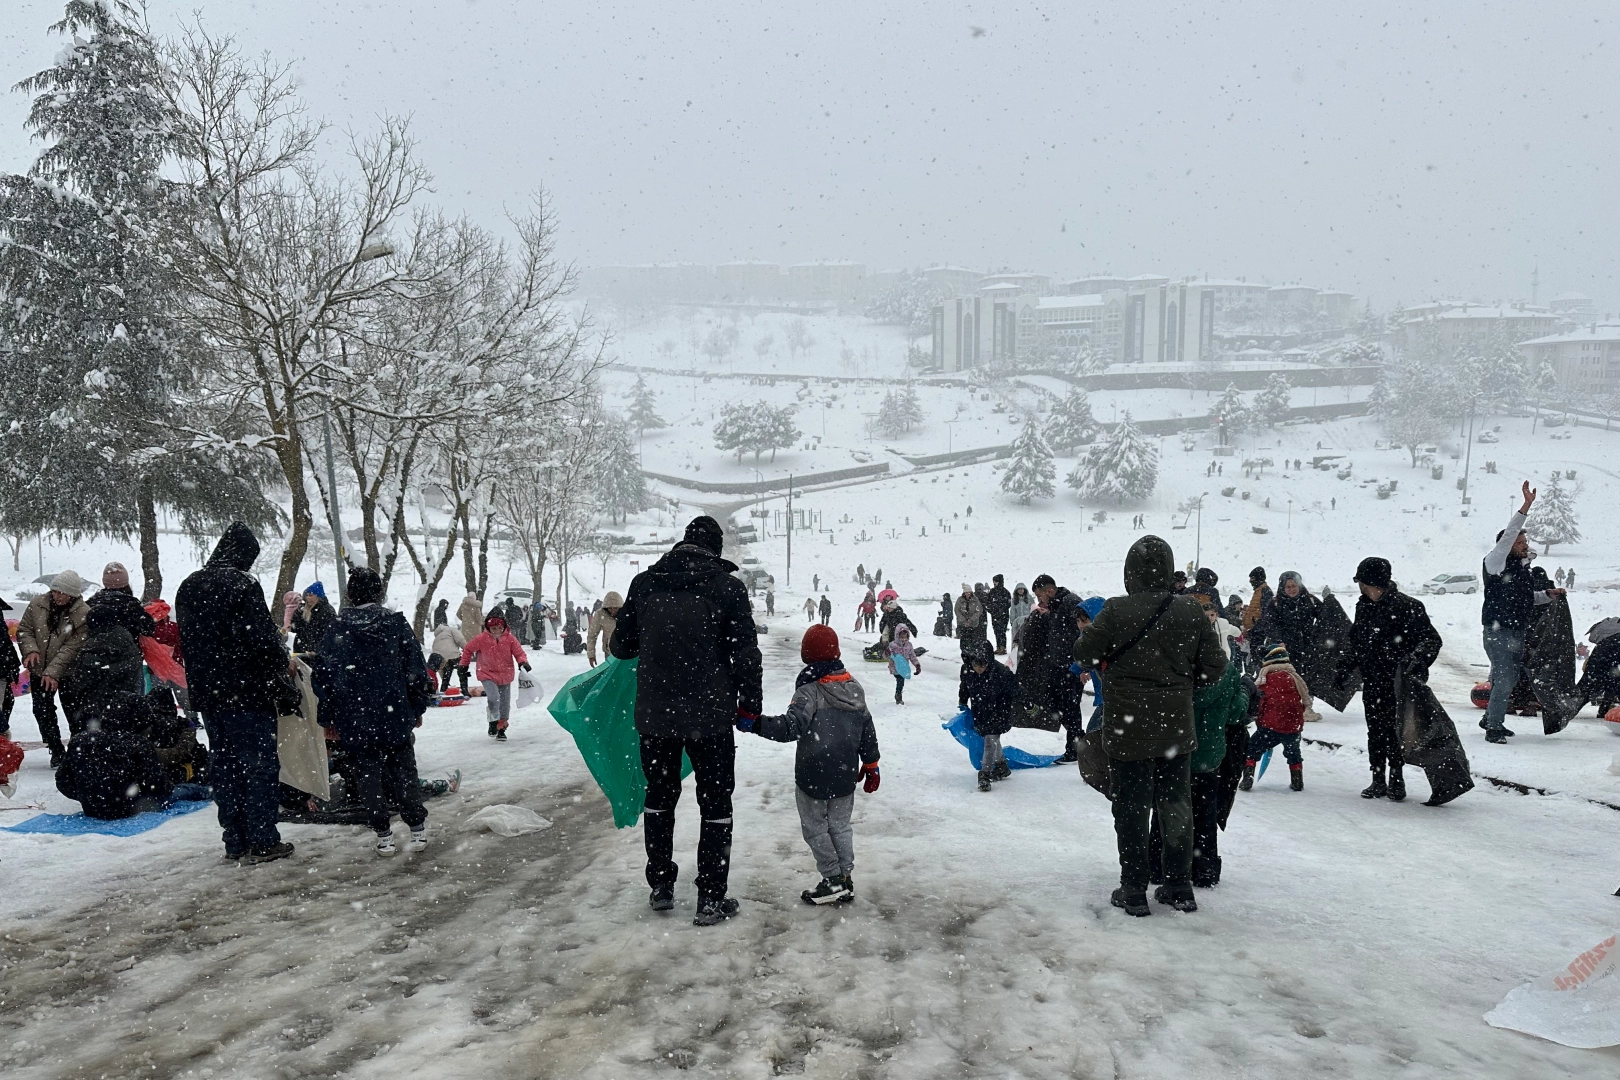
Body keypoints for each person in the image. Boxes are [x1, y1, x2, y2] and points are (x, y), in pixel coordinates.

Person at [611, 515, 763, 927]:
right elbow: (746, 654)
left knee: (659, 796)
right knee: (715, 803)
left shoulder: (644, 585)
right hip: (710, 717)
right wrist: (750, 706)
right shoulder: (728, 589)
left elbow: (621, 647)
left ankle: (660, 885)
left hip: (656, 716)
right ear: (715, 549)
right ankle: (710, 897)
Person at [1075, 534, 1227, 916]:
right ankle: (1179, 886)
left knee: (1131, 807)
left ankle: (1134, 888)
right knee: (1176, 805)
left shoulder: (1116, 610)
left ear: (1130, 572)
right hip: (1176, 726)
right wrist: (1181, 685)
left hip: (1129, 729)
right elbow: (1216, 667)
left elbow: (1083, 654)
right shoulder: (1191, 612)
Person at [174, 522, 297, 863]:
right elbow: (259, 639)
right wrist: (279, 658)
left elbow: (189, 641)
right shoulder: (242, 584)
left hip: (208, 694)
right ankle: (262, 839)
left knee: (224, 764)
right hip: (247, 692)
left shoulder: (189, 585)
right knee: (258, 766)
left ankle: (235, 840)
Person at [740, 624, 879, 905]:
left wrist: (756, 723)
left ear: (807, 656)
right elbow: (867, 727)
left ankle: (833, 879)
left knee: (815, 828)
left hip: (813, 773)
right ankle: (845, 877)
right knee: (840, 826)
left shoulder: (809, 691)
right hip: (844, 773)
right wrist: (872, 763)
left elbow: (791, 727)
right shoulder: (854, 687)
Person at [311, 566, 436, 855]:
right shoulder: (395, 625)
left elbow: (324, 676)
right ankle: (417, 829)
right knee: (404, 770)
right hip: (393, 713)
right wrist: (416, 706)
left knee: (368, 775)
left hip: (355, 717)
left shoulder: (337, 629)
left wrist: (327, 717)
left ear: (350, 594)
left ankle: (383, 835)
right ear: (379, 592)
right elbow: (415, 669)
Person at [1336, 557, 1442, 801]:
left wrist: (1416, 660)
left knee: (1396, 731)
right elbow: (1356, 642)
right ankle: (1377, 778)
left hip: (1398, 683)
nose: (1359, 586)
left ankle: (1397, 778)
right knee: (1375, 730)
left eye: (1361, 581)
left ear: (1372, 582)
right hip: (1372, 680)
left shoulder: (1408, 606)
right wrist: (1345, 667)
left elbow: (1431, 640)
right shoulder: (1363, 606)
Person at [1480, 482, 1564, 744]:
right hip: (1498, 631)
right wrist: (1525, 507)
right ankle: (1494, 727)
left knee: (1511, 677)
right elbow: (1508, 537)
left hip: (1516, 630)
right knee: (1505, 678)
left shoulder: (1522, 570)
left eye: (1526, 541)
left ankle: (1489, 718)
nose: (1525, 545)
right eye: (1520, 541)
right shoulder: (1495, 563)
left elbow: (1527, 600)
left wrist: (1547, 596)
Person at [62, 562, 157, 726]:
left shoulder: (92, 603)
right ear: (126, 583)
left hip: (96, 662)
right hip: (128, 662)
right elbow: (149, 628)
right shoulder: (131, 605)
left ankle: (100, 734)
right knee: (131, 705)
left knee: (98, 705)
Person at [54, 692, 175, 820]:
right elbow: (158, 786)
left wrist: (89, 795)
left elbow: (63, 781)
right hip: (131, 808)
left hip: (92, 808)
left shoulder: (80, 740)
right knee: (188, 789)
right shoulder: (138, 744)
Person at [16, 570, 90, 768]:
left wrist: (53, 672)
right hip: (39, 669)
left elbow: (73, 647)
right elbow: (25, 630)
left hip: (68, 671)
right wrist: (30, 650)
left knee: (73, 711)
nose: (57, 595)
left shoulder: (83, 613)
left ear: (72, 595)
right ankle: (56, 749)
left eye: (62, 593)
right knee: (42, 711)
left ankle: (77, 750)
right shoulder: (37, 604)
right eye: (54, 591)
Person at [1240, 644, 1312, 791]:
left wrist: (1259, 721)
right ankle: (1297, 780)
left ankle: (1247, 779)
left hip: (1270, 726)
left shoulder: (1265, 680)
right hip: (1293, 727)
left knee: (1252, 749)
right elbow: (1303, 702)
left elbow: (1259, 704)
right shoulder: (1295, 678)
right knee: (1293, 753)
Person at [959, 638, 1018, 792]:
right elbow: (964, 687)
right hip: (981, 710)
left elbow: (1015, 689)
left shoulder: (1000, 672)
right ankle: (1002, 765)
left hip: (999, 710)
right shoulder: (967, 670)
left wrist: (1030, 705)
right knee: (990, 738)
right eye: (976, 665)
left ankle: (984, 774)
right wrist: (963, 701)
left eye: (983, 665)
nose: (979, 669)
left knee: (990, 740)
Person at [459, 613, 530, 740]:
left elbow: (519, 653)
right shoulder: (481, 639)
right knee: (494, 697)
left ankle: (501, 728)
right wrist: (463, 665)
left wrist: (523, 662)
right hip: (487, 673)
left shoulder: (510, 639)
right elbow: (468, 649)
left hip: (505, 674)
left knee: (504, 704)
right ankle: (493, 720)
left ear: (504, 626)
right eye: (494, 629)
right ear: (488, 628)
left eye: (499, 628)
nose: (497, 631)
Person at [1252, 572, 1325, 693]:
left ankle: (1304, 705)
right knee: (1288, 680)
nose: (1292, 590)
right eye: (1288, 587)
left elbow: (1325, 617)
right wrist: (1278, 640)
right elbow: (1270, 624)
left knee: (1304, 681)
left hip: (1307, 649)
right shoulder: (1275, 603)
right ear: (1282, 588)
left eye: (1294, 586)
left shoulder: (1310, 600)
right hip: (1285, 649)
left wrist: (1329, 600)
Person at [290, 583, 336, 654]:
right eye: (307, 595)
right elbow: (295, 628)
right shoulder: (303, 610)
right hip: (302, 650)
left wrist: (317, 650)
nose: (308, 598)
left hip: (317, 654)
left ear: (318, 596)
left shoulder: (326, 612)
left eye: (311, 595)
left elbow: (328, 635)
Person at [428, 618, 467, 694]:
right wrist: (466, 649)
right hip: (452, 654)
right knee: (461, 668)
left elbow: (439, 667)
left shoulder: (436, 638)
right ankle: (464, 689)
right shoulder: (451, 629)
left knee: (447, 671)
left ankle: (444, 688)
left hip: (440, 658)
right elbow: (460, 640)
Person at [586, 591, 623, 667]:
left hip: (627, 651)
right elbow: (592, 635)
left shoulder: (628, 613)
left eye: (615, 608)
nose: (612, 611)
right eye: (610, 608)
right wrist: (591, 654)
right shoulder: (600, 614)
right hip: (609, 652)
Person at [887, 624, 921, 704]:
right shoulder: (893, 645)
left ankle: (898, 693)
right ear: (897, 636)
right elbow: (886, 656)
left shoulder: (909, 645)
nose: (904, 639)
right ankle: (898, 696)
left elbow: (912, 656)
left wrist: (917, 665)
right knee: (900, 680)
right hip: (895, 667)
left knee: (901, 681)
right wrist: (887, 652)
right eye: (902, 637)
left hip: (903, 667)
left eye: (906, 637)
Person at [985, 574, 1013, 655]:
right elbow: (988, 603)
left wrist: (1000, 610)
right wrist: (992, 610)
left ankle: (1002, 648)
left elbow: (1008, 604)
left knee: (1002, 631)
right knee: (996, 631)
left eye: (996, 581)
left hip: (1003, 616)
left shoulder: (1005, 592)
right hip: (994, 616)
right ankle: (998, 647)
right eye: (994, 581)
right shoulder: (992, 592)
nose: (994, 583)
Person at [954, 582, 985, 646]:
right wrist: (963, 620)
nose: (968, 594)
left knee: (973, 639)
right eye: (966, 592)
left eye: (969, 592)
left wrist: (970, 620)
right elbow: (957, 611)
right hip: (962, 624)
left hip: (973, 624)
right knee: (964, 640)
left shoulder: (975, 600)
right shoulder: (960, 600)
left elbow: (979, 611)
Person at [1242, 567, 1272, 632]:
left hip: (1259, 632)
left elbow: (1266, 614)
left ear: (1259, 578)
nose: (1250, 581)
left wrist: (1255, 629)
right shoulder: (1258, 591)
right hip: (1253, 631)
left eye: (1252, 578)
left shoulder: (1265, 591)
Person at [1008, 583, 1034, 651]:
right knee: (1016, 639)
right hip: (1017, 623)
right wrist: (1012, 621)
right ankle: (1015, 653)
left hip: (1027, 621)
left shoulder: (1029, 599)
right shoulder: (1015, 600)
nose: (1020, 590)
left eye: (1022, 589)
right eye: (1019, 589)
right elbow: (1012, 611)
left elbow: (1033, 609)